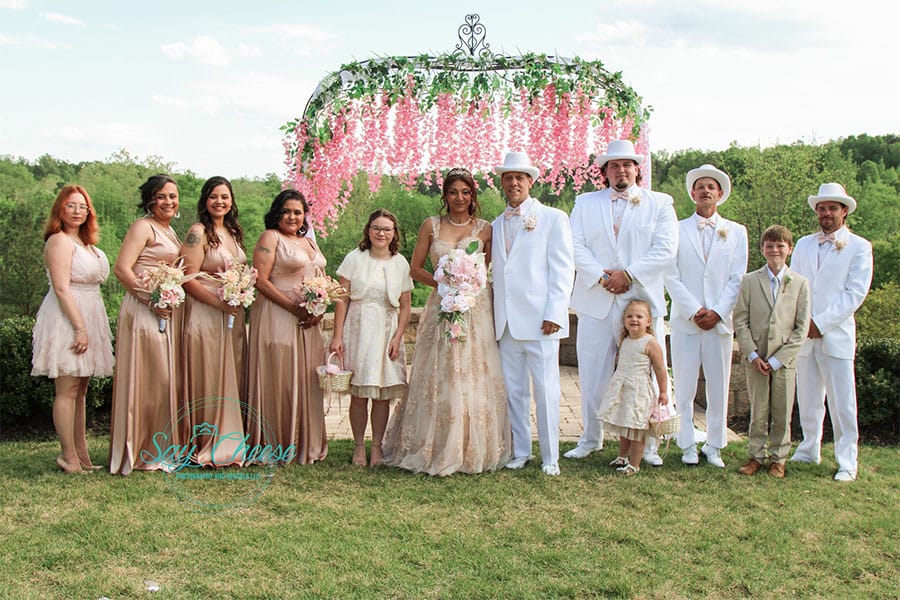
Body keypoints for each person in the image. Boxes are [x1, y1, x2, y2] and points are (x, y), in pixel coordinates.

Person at [383, 167, 511, 476]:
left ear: (473, 196)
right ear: (445, 195)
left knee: (473, 370)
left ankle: (473, 444)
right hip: (441, 306)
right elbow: (414, 268)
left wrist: (468, 286)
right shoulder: (431, 225)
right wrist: (444, 285)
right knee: (440, 370)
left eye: (465, 192)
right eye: (453, 192)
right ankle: (433, 443)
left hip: (475, 309)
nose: (459, 198)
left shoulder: (485, 229)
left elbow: (488, 270)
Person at [566, 139, 677, 466]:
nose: (621, 170)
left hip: (639, 302)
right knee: (592, 373)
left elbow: (666, 250)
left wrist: (627, 275)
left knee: (649, 374)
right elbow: (575, 246)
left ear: (637, 168)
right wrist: (603, 277)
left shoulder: (660, 204)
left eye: (627, 164)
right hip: (596, 299)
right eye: (614, 165)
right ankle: (590, 438)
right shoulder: (585, 203)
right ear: (604, 171)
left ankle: (651, 444)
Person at [491, 152, 574, 476]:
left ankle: (550, 457)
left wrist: (556, 310)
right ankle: (521, 451)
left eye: (519, 178)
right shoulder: (497, 224)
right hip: (508, 323)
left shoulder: (553, 218)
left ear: (530, 182)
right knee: (514, 392)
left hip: (542, 320)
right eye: (508, 178)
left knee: (546, 390)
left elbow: (563, 269)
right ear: (502, 183)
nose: (513, 183)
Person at [665, 165, 748, 468]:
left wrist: (717, 312)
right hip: (687, 321)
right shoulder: (676, 229)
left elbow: (736, 278)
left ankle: (714, 445)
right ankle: (686, 443)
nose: (705, 191)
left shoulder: (737, 232)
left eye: (711, 187)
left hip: (719, 323)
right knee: (684, 386)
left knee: (717, 385)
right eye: (700, 186)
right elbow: (670, 275)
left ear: (720, 194)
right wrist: (694, 310)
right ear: (692, 193)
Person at [790, 183, 873, 482]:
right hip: (804, 334)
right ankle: (809, 447)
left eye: (832, 208)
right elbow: (794, 286)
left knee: (842, 401)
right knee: (809, 397)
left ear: (844, 211)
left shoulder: (859, 247)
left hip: (835, 334)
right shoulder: (803, 244)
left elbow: (855, 294)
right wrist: (803, 323)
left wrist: (821, 323)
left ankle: (847, 460)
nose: (826, 213)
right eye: (822, 208)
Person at [32, 185, 114, 473]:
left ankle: (82, 455)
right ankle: (68, 456)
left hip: (91, 310)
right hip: (68, 316)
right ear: (60, 210)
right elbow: (61, 287)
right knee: (67, 389)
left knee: (81, 389)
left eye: (82, 206)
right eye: (71, 205)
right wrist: (79, 327)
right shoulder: (59, 241)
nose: (77, 211)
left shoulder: (86, 243)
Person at [109, 175, 185, 475]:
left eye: (173, 196)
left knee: (161, 379)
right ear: (150, 199)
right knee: (149, 377)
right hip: (143, 310)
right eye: (162, 196)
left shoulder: (170, 230)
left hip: (164, 309)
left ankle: (159, 447)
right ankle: (139, 450)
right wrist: (150, 299)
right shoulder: (143, 227)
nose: (168, 202)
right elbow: (122, 269)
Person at [246, 189, 328, 464]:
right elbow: (262, 280)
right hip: (277, 315)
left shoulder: (308, 242)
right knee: (280, 376)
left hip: (308, 320)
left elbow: (320, 276)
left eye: (298, 211)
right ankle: (278, 442)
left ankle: (307, 441)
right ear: (277, 213)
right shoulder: (271, 238)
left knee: (307, 378)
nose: (293, 217)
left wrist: (320, 306)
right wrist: (292, 307)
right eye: (287, 211)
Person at [330, 209, 412, 467]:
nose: (381, 233)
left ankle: (376, 447)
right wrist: (337, 335)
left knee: (382, 394)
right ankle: (357, 446)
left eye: (387, 229)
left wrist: (399, 336)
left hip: (387, 329)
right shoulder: (354, 258)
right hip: (359, 327)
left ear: (394, 233)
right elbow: (341, 299)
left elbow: (406, 305)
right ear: (368, 230)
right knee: (359, 393)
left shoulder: (400, 262)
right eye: (376, 228)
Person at [180, 176, 248, 467]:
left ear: (232, 201)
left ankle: (230, 439)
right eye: (214, 197)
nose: (220, 202)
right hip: (206, 312)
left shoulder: (232, 232)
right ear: (205, 201)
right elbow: (187, 277)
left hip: (232, 313)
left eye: (225, 196)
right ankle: (205, 441)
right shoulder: (198, 232)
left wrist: (239, 293)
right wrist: (219, 302)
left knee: (229, 373)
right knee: (208, 374)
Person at [733, 225, 810, 478]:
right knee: (759, 410)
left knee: (781, 411)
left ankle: (779, 457)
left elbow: (801, 327)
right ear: (762, 249)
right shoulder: (750, 281)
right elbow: (740, 320)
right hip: (756, 357)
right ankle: (756, 455)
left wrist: (778, 360)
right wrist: (752, 354)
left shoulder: (799, 284)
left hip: (783, 360)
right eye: (769, 245)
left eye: (780, 245)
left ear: (789, 248)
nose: (774, 250)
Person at [600, 300, 669, 476]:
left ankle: (634, 464)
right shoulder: (625, 340)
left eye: (639, 316)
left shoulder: (650, 342)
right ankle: (622, 456)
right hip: (624, 389)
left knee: (637, 428)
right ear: (624, 320)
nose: (634, 319)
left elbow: (660, 369)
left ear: (648, 321)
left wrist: (663, 391)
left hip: (639, 391)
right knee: (625, 424)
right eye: (629, 316)